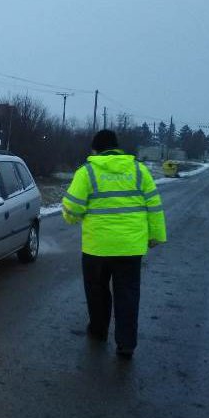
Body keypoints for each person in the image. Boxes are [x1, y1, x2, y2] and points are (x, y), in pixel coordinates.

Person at [61, 130, 166, 359]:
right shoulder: (139, 170)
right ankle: (126, 343)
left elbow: (71, 208)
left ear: (95, 149)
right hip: (130, 248)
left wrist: (71, 217)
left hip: (96, 248)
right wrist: (156, 235)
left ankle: (98, 331)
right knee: (127, 294)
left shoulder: (87, 172)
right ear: (117, 148)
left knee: (97, 291)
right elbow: (154, 206)